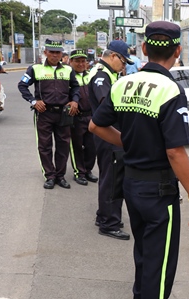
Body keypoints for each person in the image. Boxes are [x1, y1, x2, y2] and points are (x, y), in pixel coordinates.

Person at [89, 21, 189, 299]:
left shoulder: (124, 83)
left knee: (144, 256)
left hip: (133, 185)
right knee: (160, 264)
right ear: (177, 51)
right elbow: (175, 151)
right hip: (159, 191)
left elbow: (96, 125)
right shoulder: (170, 90)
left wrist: (128, 144)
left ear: (143, 50)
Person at [18, 39, 80, 189]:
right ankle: (50, 176)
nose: (54, 55)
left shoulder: (68, 70)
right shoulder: (35, 69)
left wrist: (75, 101)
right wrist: (33, 101)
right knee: (45, 146)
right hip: (44, 113)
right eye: (51, 52)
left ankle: (60, 176)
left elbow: (75, 87)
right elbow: (22, 85)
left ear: (61, 54)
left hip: (63, 114)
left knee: (63, 145)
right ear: (45, 52)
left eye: (57, 52)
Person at [87, 40, 134, 240]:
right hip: (109, 134)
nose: (124, 66)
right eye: (123, 61)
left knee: (110, 176)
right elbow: (109, 104)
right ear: (113, 56)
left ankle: (104, 215)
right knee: (113, 180)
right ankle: (109, 223)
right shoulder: (101, 76)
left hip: (108, 133)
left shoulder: (108, 74)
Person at [68, 49, 97, 186]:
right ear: (71, 62)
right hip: (76, 118)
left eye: (83, 61)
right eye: (77, 61)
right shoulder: (68, 77)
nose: (80, 64)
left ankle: (88, 170)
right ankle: (79, 173)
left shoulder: (90, 76)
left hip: (91, 116)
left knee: (92, 146)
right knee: (77, 147)